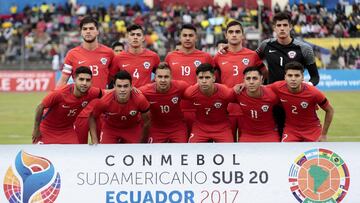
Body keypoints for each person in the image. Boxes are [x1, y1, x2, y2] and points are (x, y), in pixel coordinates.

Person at [256, 12, 320, 137]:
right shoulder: (266, 45)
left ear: (290, 27)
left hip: (295, 100)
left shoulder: (304, 49)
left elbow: (315, 77)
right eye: (278, 25)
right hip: (273, 100)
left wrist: (308, 86)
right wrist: (228, 47)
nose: (282, 28)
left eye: (285, 25)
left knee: (298, 136)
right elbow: (250, 59)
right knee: (275, 136)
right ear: (274, 28)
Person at [56, 16, 114, 144]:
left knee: (103, 149)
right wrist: (54, 101)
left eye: (91, 28)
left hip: (102, 111)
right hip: (79, 111)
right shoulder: (72, 54)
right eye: (85, 29)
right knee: (78, 150)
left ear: (97, 31)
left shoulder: (109, 53)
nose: (88, 31)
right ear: (81, 32)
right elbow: (63, 80)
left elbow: (115, 79)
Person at [214, 21, 265, 140]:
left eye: (237, 32)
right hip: (226, 111)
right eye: (231, 32)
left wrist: (251, 84)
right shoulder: (218, 57)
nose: (234, 35)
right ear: (226, 35)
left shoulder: (252, 55)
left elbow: (264, 74)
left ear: (242, 35)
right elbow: (214, 81)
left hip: (248, 110)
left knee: (247, 148)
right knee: (227, 149)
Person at [32, 67, 103, 144]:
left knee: (74, 154)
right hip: (47, 129)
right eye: (81, 79)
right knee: (42, 155)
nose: (84, 83)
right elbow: (40, 107)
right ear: (74, 79)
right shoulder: (59, 93)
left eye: (88, 80)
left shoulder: (92, 92)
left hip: (67, 131)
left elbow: (108, 93)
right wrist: (36, 129)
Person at [165, 24, 214, 133]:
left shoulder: (206, 57)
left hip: (199, 109)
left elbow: (214, 81)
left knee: (199, 145)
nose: (187, 38)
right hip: (176, 109)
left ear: (196, 37)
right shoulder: (170, 56)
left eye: (191, 35)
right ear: (180, 37)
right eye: (185, 35)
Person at [270, 61, 334, 142]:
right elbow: (262, 91)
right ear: (285, 77)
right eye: (290, 75)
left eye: (297, 75)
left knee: (315, 154)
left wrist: (324, 134)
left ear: (302, 77)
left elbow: (330, 110)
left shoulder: (313, 92)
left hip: (312, 130)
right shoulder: (277, 87)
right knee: (285, 153)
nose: (293, 79)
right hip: (291, 130)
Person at [89, 70, 151, 144]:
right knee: (105, 152)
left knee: (137, 152)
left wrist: (143, 142)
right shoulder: (105, 101)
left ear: (131, 87)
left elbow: (147, 121)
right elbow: (92, 117)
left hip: (132, 129)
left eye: (125, 86)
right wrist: (95, 140)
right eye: (119, 86)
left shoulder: (139, 99)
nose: (122, 90)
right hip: (110, 129)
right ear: (114, 86)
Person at [183, 63, 235, 143]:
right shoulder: (190, 93)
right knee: (192, 151)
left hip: (222, 128)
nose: (204, 81)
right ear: (197, 79)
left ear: (214, 78)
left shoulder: (226, 92)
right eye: (201, 78)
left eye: (207, 77)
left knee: (228, 152)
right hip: (200, 128)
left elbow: (241, 98)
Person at [139, 62, 189, 143]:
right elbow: (131, 94)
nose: (163, 80)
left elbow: (196, 92)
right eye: (160, 77)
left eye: (166, 77)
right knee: (154, 153)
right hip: (156, 129)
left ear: (171, 77)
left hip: (177, 128)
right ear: (155, 78)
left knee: (182, 151)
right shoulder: (145, 91)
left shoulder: (181, 86)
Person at [235, 67, 280, 142]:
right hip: (247, 135)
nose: (251, 82)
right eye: (248, 79)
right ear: (244, 80)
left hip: (269, 134)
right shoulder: (238, 93)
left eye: (255, 78)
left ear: (261, 80)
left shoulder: (272, 95)